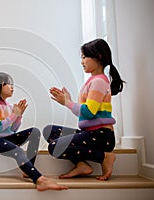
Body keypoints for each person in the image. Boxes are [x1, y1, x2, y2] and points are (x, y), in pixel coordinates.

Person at [43, 38, 125, 181]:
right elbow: (86, 110)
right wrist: (68, 101)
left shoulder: (99, 82)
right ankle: (82, 165)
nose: (82, 61)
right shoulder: (94, 80)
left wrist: (67, 103)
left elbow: (88, 112)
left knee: (54, 147)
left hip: (101, 136)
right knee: (49, 131)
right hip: (90, 133)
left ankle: (105, 157)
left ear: (98, 57)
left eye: (84, 57)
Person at [0, 72, 68, 191]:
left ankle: (29, 168)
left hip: (7, 137)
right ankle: (40, 180)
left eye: (12, 84)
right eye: (7, 84)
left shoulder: (9, 106)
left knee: (34, 132)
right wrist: (13, 115)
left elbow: (13, 129)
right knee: (18, 151)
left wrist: (19, 116)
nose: (12, 87)